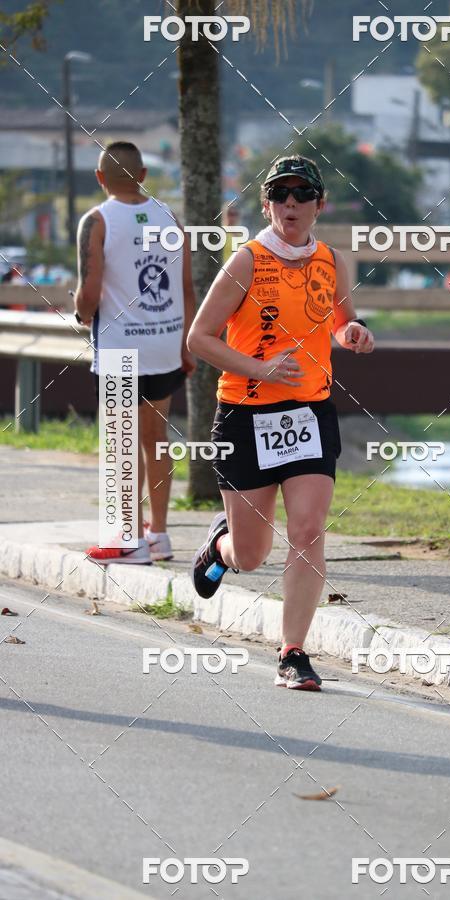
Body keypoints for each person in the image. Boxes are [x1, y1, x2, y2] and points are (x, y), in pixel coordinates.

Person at [187, 155, 374, 690]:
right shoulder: (245, 261)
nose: (291, 205)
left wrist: (354, 333)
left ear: (319, 205)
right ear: (267, 204)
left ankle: (293, 653)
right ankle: (220, 548)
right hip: (246, 416)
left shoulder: (332, 261)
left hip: (310, 411)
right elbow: (199, 338)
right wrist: (259, 367)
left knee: (309, 530)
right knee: (252, 553)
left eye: (302, 196)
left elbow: (341, 321)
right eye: (280, 196)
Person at [74, 141, 196, 565]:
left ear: (100, 178)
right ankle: (158, 535)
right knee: (155, 439)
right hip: (166, 341)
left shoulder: (97, 221)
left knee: (120, 442)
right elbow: (185, 288)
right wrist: (185, 343)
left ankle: (125, 540)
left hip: (121, 347)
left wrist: (80, 313)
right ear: (143, 176)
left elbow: (89, 293)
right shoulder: (168, 216)